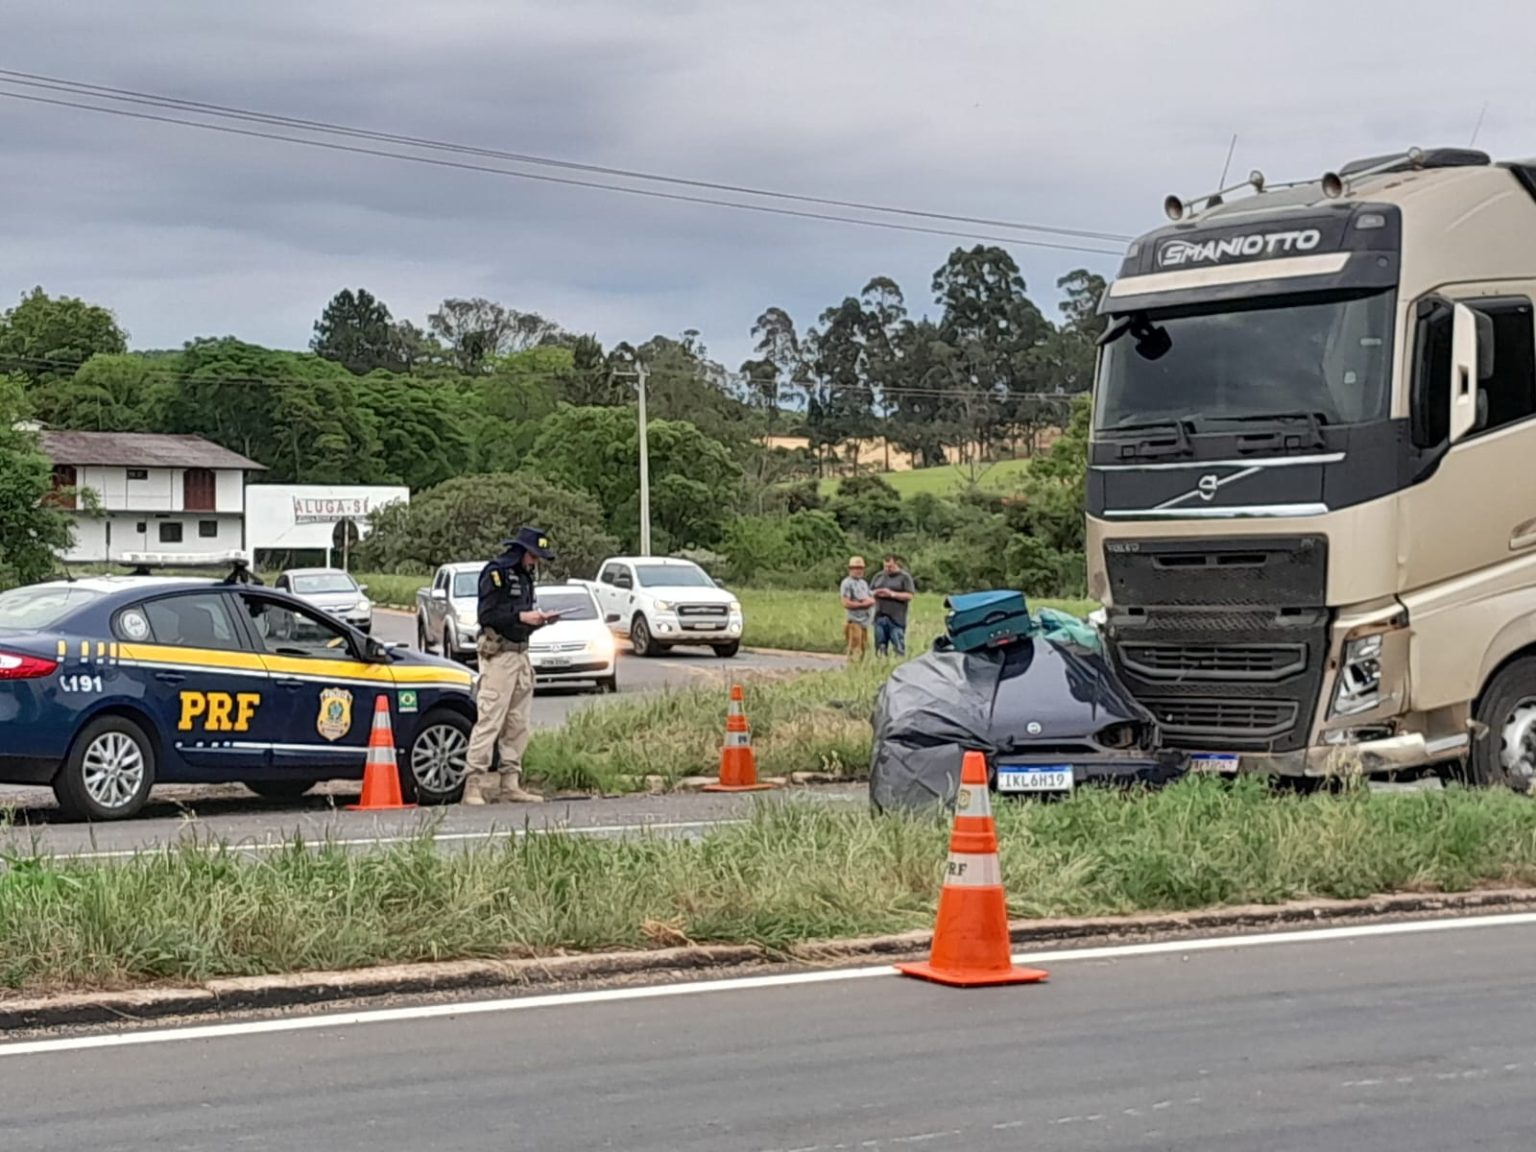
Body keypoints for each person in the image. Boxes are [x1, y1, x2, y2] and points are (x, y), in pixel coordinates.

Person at [463, 526, 558, 805]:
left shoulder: (526, 577)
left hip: (521, 653)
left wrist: (538, 621)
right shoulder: (497, 573)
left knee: (518, 723)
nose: (536, 562)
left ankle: (510, 782)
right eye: (534, 556)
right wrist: (522, 616)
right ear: (522, 551)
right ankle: (473, 783)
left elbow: (522, 618)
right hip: (499, 655)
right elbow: (487, 615)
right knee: (490, 718)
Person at [870, 554, 915, 657]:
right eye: (885, 566)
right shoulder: (878, 576)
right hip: (880, 616)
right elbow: (870, 591)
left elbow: (909, 595)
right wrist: (876, 593)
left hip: (896, 619)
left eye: (890, 566)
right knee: (880, 647)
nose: (887, 569)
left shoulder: (905, 577)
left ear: (896, 564)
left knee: (898, 647)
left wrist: (891, 594)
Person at [839, 556, 875, 661]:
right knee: (855, 650)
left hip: (865, 622)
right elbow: (846, 603)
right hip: (854, 621)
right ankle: (852, 671)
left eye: (860, 568)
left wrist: (869, 601)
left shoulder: (863, 583)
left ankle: (859, 672)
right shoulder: (847, 583)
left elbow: (871, 598)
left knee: (863, 649)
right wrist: (862, 604)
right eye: (855, 568)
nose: (858, 571)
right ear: (850, 569)